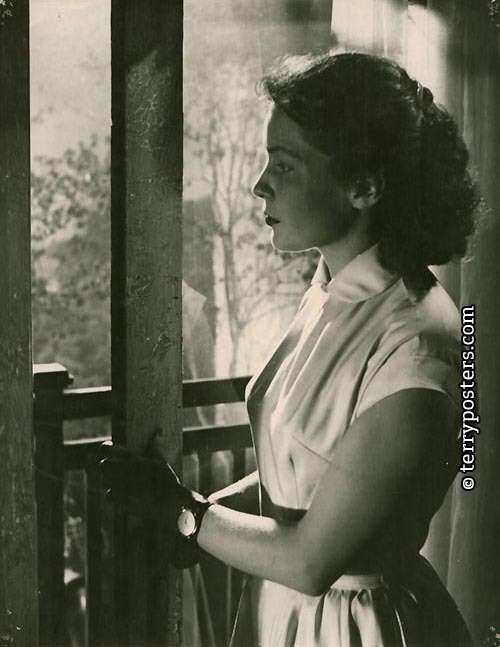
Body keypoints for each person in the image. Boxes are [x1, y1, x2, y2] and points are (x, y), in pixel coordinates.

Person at [100, 52, 479, 646]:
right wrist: (202, 507)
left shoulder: (417, 343)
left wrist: (186, 514)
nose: (260, 184)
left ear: (363, 187)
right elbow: (308, 472)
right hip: (287, 612)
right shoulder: (332, 291)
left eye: (284, 164)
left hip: (355, 627)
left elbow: (310, 561)